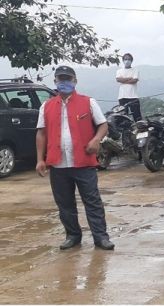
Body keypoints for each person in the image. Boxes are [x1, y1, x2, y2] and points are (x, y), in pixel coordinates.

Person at [35, 65, 115, 250]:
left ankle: (101, 237)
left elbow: (103, 125)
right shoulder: (46, 106)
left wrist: (96, 140)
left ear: (75, 81)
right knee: (65, 204)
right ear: (55, 82)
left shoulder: (88, 102)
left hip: (83, 162)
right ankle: (72, 235)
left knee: (92, 201)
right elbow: (41, 133)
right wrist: (40, 159)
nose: (64, 82)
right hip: (58, 164)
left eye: (68, 79)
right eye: (61, 79)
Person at [116, 53, 142, 121]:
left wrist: (123, 80)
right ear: (123, 60)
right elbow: (118, 79)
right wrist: (129, 78)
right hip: (122, 97)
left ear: (131, 61)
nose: (127, 61)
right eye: (125, 59)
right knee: (123, 118)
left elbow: (134, 80)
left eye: (129, 59)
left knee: (137, 117)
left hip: (133, 97)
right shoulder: (119, 71)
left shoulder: (135, 70)